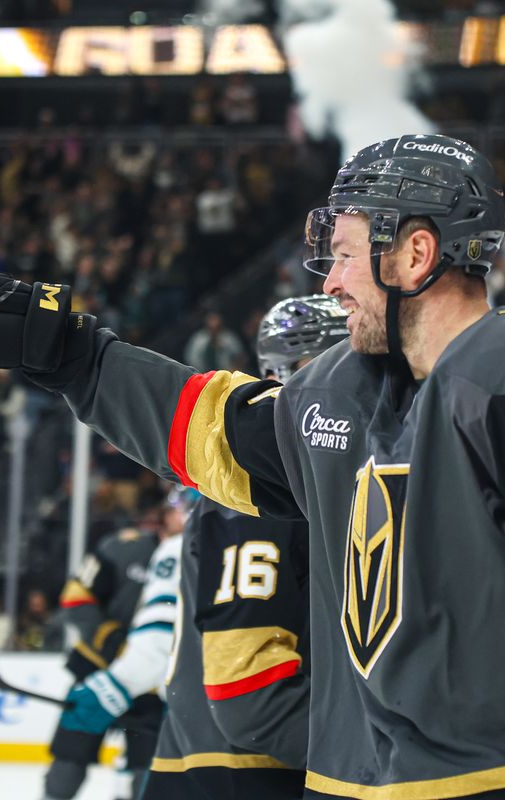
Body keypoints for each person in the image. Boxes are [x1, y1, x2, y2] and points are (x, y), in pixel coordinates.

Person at [0, 134, 505, 800]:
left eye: (347, 255)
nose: (333, 281)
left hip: (495, 787)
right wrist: (69, 356)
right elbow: (206, 428)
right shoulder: (340, 395)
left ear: (416, 253)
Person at [143, 294, 347, 800]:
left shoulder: (303, 476)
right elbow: (251, 700)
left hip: (212, 766)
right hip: (242, 775)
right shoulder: (266, 488)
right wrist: (369, 752)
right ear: (300, 373)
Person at [55, 488, 190, 800]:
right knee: (70, 760)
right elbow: (75, 598)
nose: (179, 515)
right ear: (164, 515)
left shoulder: (198, 552)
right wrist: (109, 638)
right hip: (100, 667)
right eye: (174, 509)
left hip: (157, 684)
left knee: (146, 769)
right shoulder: (122, 548)